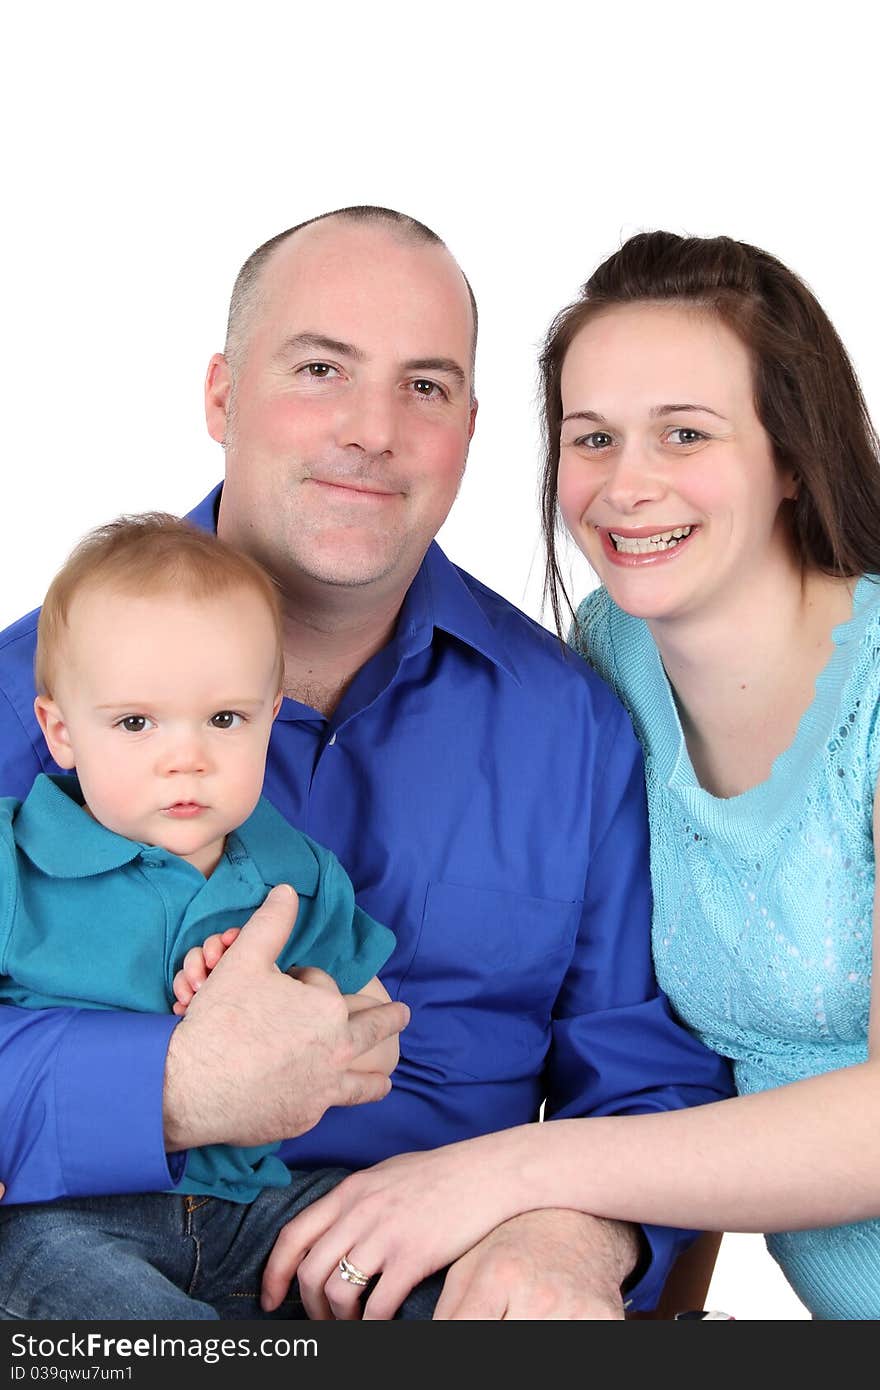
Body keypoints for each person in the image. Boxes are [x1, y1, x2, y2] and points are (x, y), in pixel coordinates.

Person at [0, 207, 732, 1321]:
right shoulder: (25, 695)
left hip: (417, 1287)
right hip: (80, 1262)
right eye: (320, 368)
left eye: (425, 388)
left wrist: (574, 1230)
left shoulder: (572, 725)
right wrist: (169, 1085)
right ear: (221, 394)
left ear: (471, 429)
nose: (372, 429)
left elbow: (648, 1074)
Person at [259, 231, 880, 1321]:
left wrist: (518, 1178)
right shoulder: (616, 658)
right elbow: (682, 1064)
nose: (627, 486)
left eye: (683, 433)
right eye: (593, 437)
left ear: (791, 455)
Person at [0, 512, 406, 1318]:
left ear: (270, 717)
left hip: (256, 1206)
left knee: (425, 1269)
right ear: (61, 731)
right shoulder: (15, 866)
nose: (186, 757)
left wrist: (304, 996)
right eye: (136, 722)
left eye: (225, 720)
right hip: (68, 1213)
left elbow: (368, 1012)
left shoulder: (297, 873)